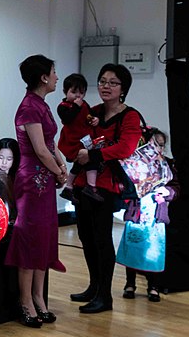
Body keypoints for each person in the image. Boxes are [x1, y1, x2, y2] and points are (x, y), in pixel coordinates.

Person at [63, 63, 143, 313]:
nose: (106, 86)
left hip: (106, 186)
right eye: (102, 81)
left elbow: (126, 148)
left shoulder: (130, 116)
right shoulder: (92, 111)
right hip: (83, 184)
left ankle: (104, 296)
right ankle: (94, 286)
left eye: (113, 82)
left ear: (123, 89)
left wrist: (94, 156)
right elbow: (72, 140)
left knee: (101, 238)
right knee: (86, 236)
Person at [4, 54, 68, 328]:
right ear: (43, 77)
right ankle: (26, 302)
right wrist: (58, 170)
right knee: (30, 239)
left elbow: (51, 145)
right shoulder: (30, 106)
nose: (56, 76)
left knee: (43, 238)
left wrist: (61, 164)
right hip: (32, 180)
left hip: (45, 177)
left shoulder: (41, 104)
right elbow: (40, 150)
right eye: (53, 72)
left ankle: (40, 299)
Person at [121, 130, 179, 302]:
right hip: (138, 212)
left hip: (155, 214)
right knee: (133, 246)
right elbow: (125, 186)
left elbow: (176, 187)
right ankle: (129, 283)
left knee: (154, 250)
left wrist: (167, 192)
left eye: (161, 145)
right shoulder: (135, 163)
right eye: (155, 144)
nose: (158, 149)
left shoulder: (167, 164)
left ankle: (153, 286)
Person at [56, 73, 101, 203]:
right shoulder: (63, 107)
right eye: (74, 92)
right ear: (65, 92)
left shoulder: (84, 104)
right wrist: (76, 106)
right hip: (73, 140)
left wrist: (95, 120)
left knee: (80, 163)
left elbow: (90, 115)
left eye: (81, 93)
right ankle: (91, 187)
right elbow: (68, 118)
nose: (78, 96)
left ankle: (68, 188)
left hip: (85, 139)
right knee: (90, 160)